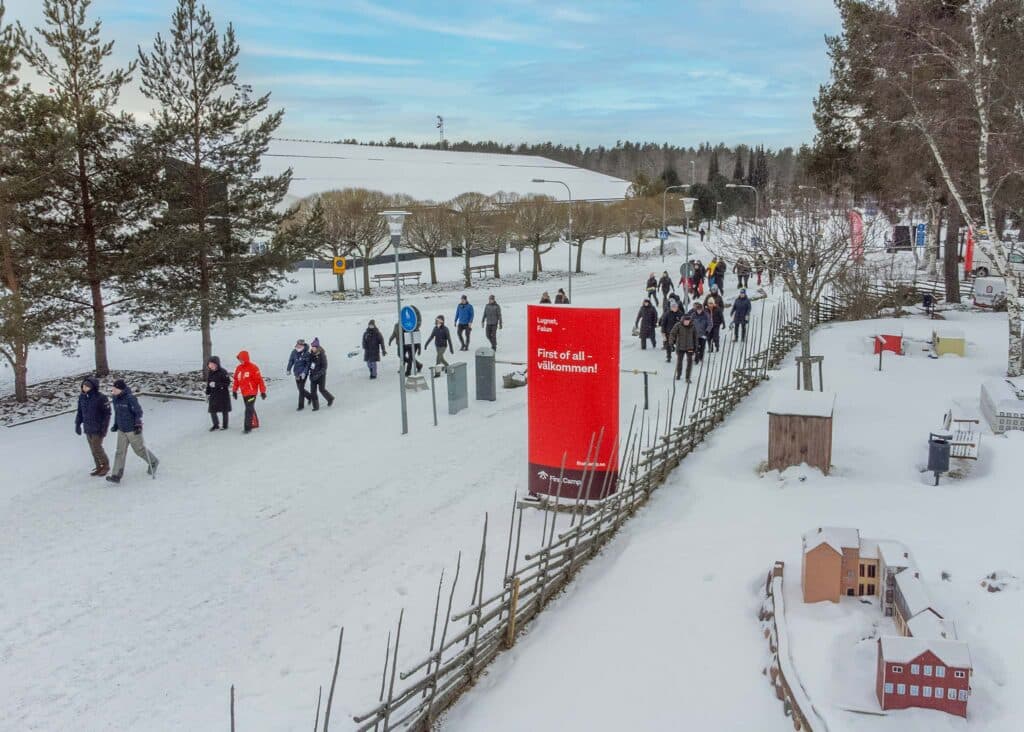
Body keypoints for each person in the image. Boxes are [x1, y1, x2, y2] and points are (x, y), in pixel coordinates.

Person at [106, 378, 158, 483]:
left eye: (115, 389)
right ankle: (116, 475)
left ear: (121, 389)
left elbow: (138, 412)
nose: (113, 390)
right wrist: (116, 424)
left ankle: (153, 461)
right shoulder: (115, 398)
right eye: (113, 388)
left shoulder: (130, 398)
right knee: (120, 452)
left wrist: (138, 424)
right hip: (121, 429)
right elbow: (117, 413)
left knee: (139, 450)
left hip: (132, 429)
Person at [74, 376, 111, 476]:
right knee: (93, 449)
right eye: (83, 386)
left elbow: (107, 414)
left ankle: (105, 465)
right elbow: (80, 412)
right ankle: (98, 466)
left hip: (98, 428)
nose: (84, 388)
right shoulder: (82, 397)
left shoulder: (101, 398)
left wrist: (104, 429)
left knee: (97, 448)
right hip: (88, 428)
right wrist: (77, 424)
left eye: (87, 386)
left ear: (93, 387)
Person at [232, 350, 267, 433]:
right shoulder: (239, 368)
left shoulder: (253, 368)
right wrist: (234, 391)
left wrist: (262, 391)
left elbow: (260, 380)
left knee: (248, 408)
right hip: (244, 393)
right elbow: (236, 380)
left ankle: (247, 427)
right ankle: (255, 423)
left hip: (252, 393)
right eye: (239, 359)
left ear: (246, 358)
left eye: (241, 359)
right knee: (250, 408)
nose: (240, 361)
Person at [669, 311, 697, 382]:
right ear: (683, 320)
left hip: (690, 347)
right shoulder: (678, 325)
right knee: (679, 362)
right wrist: (671, 343)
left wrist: (695, 347)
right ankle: (678, 374)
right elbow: (672, 334)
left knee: (690, 362)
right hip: (680, 347)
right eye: (685, 321)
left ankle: (688, 377)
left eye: (688, 321)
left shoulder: (692, 326)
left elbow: (695, 337)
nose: (687, 322)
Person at [307, 338, 335, 408]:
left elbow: (324, 367)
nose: (312, 348)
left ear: (317, 347)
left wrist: (318, 375)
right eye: (312, 347)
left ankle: (330, 398)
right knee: (313, 391)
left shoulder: (322, 355)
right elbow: (309, 365)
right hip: (313, 375)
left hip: (321, 376)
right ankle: (315, 407)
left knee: (321, 389)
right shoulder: (311, 355)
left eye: (314, 347)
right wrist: (310, 374)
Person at [205, 356, 232, 431]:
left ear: (217, 364)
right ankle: (215, 425)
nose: (211, 366)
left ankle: (225, 425)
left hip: (223, 394)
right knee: (212, 410)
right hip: (213, 394)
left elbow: (227, 383)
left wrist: (216, 384)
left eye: (212, 364)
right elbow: (208, 384)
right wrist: (207, 393)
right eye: (209, 364)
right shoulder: (210, 372)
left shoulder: (223, 372)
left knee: (224, 410)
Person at [286, 339, 312, 411]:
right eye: (298, 344)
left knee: (301, 389)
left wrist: (304, 373)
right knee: (300, 388)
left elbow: (308, 365)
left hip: (303, 374)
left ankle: (301, 406)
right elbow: (291, 361)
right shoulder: (294, 352)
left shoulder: (307, 353)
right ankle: (310, 397)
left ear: (303, 345)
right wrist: (288, 369)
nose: (298, 346)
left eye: (300, 345)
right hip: (296, 373)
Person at [659, 299, 684, 363]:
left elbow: (683, 323)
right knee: (668, 345)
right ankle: (668, 357)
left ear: (677, 307)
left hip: (678, 333)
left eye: (675, 306)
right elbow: (663, 323)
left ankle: (679, 357)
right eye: (673, 307)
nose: (674, 308)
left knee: (679, 346)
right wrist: (663, 332)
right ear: (670, 307)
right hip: (669, 332)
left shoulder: (680, 314)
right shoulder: (667, 314)